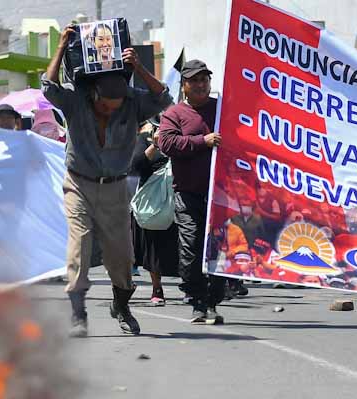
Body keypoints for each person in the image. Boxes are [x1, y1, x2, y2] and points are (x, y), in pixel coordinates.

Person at [44, 28, 171, 337]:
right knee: (79, 247)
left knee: (121, 255)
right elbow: (48, 87)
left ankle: (121, 305)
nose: (110, 111)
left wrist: (139, 67)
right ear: (93, 95)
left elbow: (163, 97)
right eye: (105, 106)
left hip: (115, 187)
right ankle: (78, 313)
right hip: (79, 184)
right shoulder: (75, 101)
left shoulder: (132, 102)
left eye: (117, 106)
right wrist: (61, 47)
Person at [158, 58, 230, 325]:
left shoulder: (223, 108)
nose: (201, 85)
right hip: (188, 194)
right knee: (191, 247)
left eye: (204, 79)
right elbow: (167, 143)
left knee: (220, 250)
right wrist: (203, 141)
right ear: (184, 85)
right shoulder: (174, 113)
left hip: (221, 194)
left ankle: (213, 300)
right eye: (194, 80)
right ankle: (197, 300)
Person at [130, 121, 179, 307]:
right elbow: (135, 166)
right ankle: (157, 288)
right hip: (155, 200)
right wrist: (155, 145)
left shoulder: (185, 136)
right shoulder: (146, 138)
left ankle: (192, 288)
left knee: (186, 242)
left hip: (181, 193)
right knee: (153, 245)